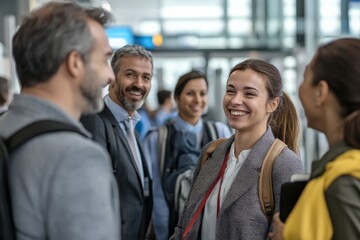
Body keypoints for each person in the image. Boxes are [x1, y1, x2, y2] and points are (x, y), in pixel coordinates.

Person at [0, 2, 120, 240]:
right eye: (105, 59)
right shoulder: (77, 156)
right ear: (74, 63)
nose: (110, 76)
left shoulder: (5, 128)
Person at [170, 60, 304, 240]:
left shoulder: (284, 164)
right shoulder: (211, 153)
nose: (235, 100)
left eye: (249, 93)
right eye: (230, 91)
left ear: (272, 104)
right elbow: (184, 225)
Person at [269, 38, 360, 240]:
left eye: (304, 77)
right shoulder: (335, 172)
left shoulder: (344, 182)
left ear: (321, 92)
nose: (300, 89)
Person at [143, 70, 232, 240]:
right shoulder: (157, 138)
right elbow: (155, 191)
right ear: (176, 98)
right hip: (169, 226)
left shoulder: (219, 133)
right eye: (190, 93)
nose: (198, 100)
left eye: (202, 93)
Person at [80, 44, 153, 240]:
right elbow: (92, 197)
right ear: (112, 77)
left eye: (146, 77)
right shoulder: (94, 121)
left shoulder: (132, 126)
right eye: (130, 75)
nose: (139, 84)